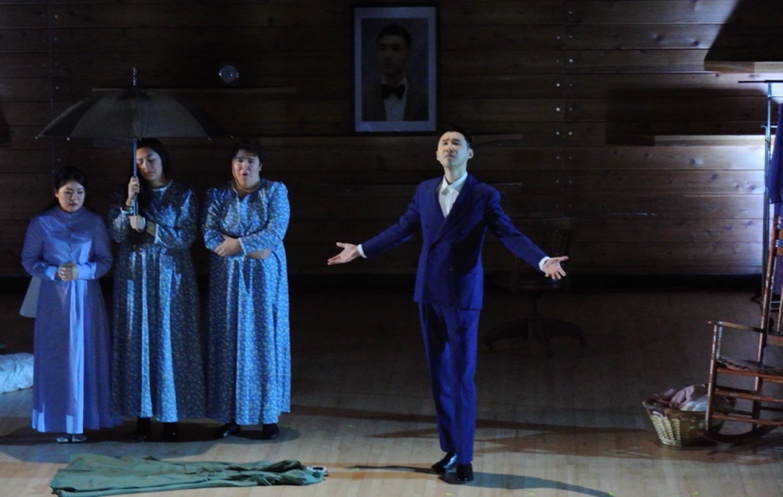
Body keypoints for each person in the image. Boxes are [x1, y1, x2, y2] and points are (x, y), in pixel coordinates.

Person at [327, 124, 568, 484]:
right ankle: (451, 449)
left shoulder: (483, 194)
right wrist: (360, 250)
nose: (449, 146)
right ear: (437, 153)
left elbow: (508, 233)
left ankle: (465, 460)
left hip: (461, 295)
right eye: (444, 142)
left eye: (457, 142)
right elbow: (402, 228)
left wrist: (542, 260)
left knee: (461, 378)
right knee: (439, 377)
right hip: (428, 291)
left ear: (469, 153)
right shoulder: (425, 190)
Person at [108, 138, 205, 442]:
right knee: (138, 341)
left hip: (170, 277)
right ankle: (141, 416)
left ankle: (171, 416)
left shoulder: (182, 193)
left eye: (150, 159)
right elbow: (116, 233)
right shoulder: (126, 192)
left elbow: (186, 237)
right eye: (139, 161)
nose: (145, 166)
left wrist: (150, 226)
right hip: (135, 276)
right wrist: (128, 202)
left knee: (168, 341)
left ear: (163, 159)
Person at [21, 166, 120, 443]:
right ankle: (60, 421)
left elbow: (105, 260)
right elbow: (29, 260)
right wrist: (54, 272)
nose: (74, 197)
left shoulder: (94, 222)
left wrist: (82, 271)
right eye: (68, 192)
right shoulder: (41, 223)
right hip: (55, 300)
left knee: (85, 354)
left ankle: (84, 420)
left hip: (86, 298)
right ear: (56, 193)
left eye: (79, 192)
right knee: (58, 357)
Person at [202, 137, 291, 440]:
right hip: (227, 281)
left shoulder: (274, 192)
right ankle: (231, 416)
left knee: (263, 340)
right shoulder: (218, 195)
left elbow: (275, 233)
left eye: (251, 161)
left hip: (263, 281)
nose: (244, 166)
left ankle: (267, 416)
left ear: (260, 165)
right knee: (228, 341)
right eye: (239, 160)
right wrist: (250, 247)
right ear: (232, 165)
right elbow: (209, 233)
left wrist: (237, 244)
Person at [362, 23, 429, 122]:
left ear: (408, 53)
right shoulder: (363, 97)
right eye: (382, 49)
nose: (387, 56)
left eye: (395, 49)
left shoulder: (423, 97)